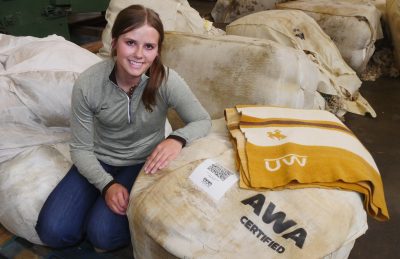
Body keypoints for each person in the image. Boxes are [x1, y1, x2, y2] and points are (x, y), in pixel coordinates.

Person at [35, 4, 211, 252]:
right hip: (99, 157)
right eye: (130, 43)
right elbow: (81, 149)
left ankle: (100, 217)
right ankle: (97, 204)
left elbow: (202, 120)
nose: (139, 54)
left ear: (158, 51)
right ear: (115, 42)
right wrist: (107, 185)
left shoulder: (167, 81)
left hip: (142, 162)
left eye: (149, 46)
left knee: (103, 235)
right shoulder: (88, 84)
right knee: (53, 231)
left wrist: (176, 139)